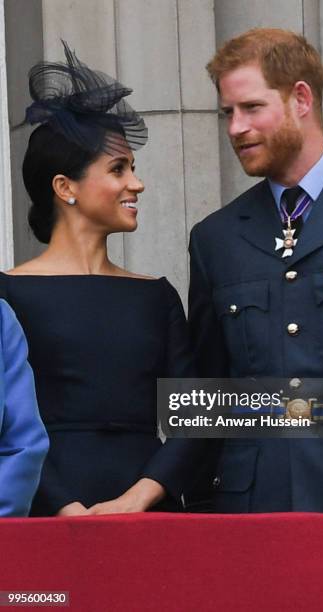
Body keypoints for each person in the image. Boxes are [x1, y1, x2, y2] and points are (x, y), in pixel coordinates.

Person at [188, 28, 323, 512]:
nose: (234, 128)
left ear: (301, 99)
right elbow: (209, 399)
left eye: (251, 108)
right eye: (228, 113)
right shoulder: (215, 238)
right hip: (253, 509)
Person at [0, 41, 204, 517]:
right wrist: (64, 506)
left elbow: (194, 417)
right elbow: (9, 429)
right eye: (119, 169)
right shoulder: (7, 294)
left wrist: (140, 498)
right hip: (40, 514)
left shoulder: (155, 295)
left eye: (133, 168)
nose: (137, 183)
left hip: (149, 517)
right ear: (65, 187)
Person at [0, 299, 48, 516]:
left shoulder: (160, 296)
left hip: (142, 480)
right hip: (54, 486)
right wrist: (62, 500)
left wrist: (156, 480)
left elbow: (169, 414)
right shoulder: (15, 288)